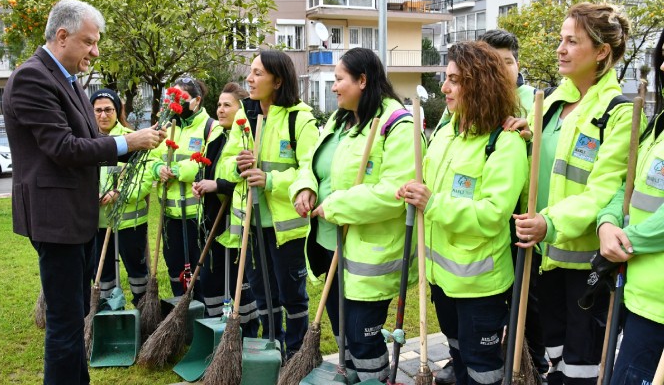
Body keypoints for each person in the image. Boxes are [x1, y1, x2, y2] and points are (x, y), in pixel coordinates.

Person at [2, 0, 165, 385]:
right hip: (55, 221)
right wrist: (129, 144)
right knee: (64, 326)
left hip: (77, 219)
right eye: (89, 42)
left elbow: (92, 139)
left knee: (74, 321)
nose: (95, 51)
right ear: (62, 36)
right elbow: (64, 148)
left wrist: (136, 144)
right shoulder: (33, 78)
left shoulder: (69, 79)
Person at [509, 3, 639, 385]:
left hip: (586, 267)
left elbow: (604, 190)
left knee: (582, 370)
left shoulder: (621, 113)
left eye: (572, 41)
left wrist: (550, 222)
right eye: (560, 40)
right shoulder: (550, 103)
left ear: (602, 52)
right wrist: (527, 135)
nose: (560, 49)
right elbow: (545, 161)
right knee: (555, 361)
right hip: (545, 259)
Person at [398, 41, 528, 385]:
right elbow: (427, 181)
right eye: (446, 78)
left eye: (454, 80)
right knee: (456, 354)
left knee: (481, 368)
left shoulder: (505, 144)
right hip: (441, 280)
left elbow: (492, 215)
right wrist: (412, 190)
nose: (444, 87)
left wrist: (432, 203)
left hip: (479, 287)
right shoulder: (447, 134)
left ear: (479, 83)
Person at [290, 47, 419, 381]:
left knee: (363, 341)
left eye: (338, 79)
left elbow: (397, 192)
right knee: (345, 337)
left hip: (368, 258)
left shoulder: (398, 125)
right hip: (331, 247)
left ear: (362, 80)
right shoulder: (340, 120)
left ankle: (373, 379)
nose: (333, 87)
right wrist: (306, 188)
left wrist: (333, 206)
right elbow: (311, 164)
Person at [219, 50, 319, 360]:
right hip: (251, 223)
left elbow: (310, 170)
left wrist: (271, 179)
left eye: (258, 73)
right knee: (263, 293)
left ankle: (297, 352)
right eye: (250, 72)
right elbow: (223, 166)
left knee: (292, 296)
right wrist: (238, 166)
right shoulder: (243, 117)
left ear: (277, 80)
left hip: (285, 228)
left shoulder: (299, 118)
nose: (249, 79)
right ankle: (272, 347)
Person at [478, 28, 549, 380]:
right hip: (484, 211)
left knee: (528, 293)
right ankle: (489, 351)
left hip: (523, 213)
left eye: (507, 62)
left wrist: (529, 137)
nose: (501, 69)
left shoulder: (537, 102)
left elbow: (551, 150)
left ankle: (533, 360)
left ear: (516, 63)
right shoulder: (475, 98)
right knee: (493, 290)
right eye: (492, 62)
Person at [596, 28, 664, 385]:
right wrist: (607, 223)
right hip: (637, 294)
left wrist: (624, 240)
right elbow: (627, 185)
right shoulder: (657, 128)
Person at [191, 82, 260, 337]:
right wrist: (201, 185)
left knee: (240, 285)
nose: (220, 110)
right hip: (213, 222)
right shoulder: (217, 137)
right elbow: (210, 172)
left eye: (227, 105)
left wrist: (217, 185)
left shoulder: (246, 138)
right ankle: (216, 335)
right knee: (212, 282)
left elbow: (244, 181)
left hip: (235, 226)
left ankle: (247, 334)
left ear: (240, 109)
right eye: (218, 104)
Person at [150, 77, 221, 300]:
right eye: (171, 99)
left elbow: (206, 163)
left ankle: (201, 312)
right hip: (169, 215)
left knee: (201, 272)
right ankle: (179, 316)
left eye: (181, 98)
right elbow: (151, 158)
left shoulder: (211, 128)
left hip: (197, 217)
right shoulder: (165, 127)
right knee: (175, 270)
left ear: (196, 101)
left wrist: (177, 170)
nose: (175, 104)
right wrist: (158, 169)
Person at [90, 88, 149, 307]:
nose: (103, 115)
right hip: (96, 222)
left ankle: (143, 310)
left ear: (117, 111)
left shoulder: (132, 139)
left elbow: (145, 178)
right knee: (102, 272)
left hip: (129, 221)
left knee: (137, 271)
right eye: (98, 110)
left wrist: (120, 193)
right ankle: (108, 312)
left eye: (108, 109)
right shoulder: (86, 140)